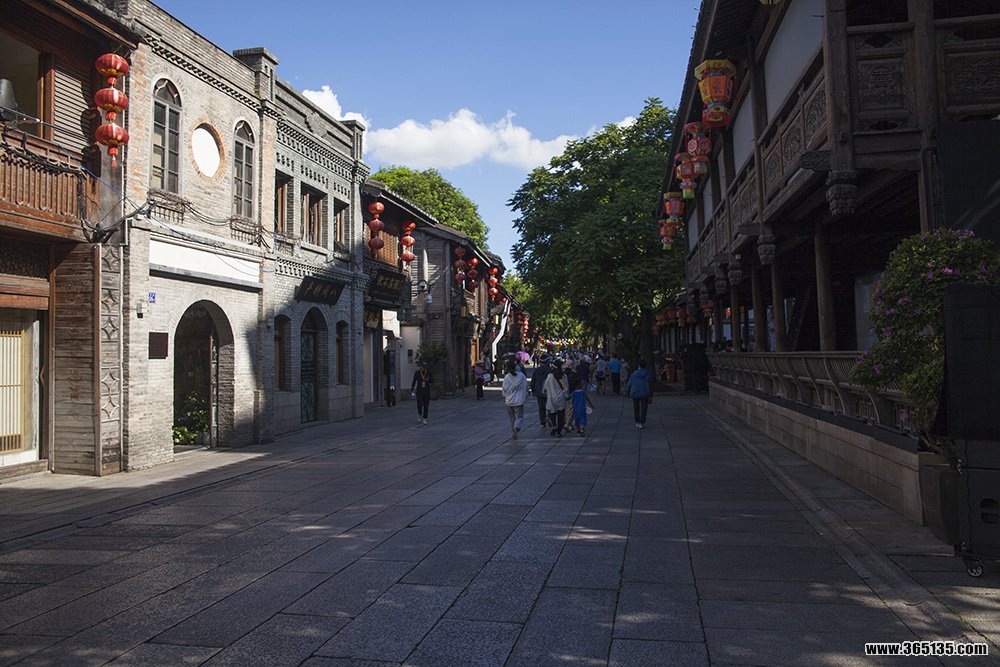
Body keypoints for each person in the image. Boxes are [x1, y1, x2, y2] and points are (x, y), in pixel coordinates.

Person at [501, 359, 528, 440]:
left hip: (509, 401)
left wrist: (505, 395)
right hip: (519, 401)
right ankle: (516, 428)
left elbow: (504, 388)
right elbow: (526, 385)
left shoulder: (507, 377)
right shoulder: (522, 376)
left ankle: (513, 429)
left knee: (512, 418)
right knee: (519, 417)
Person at [625, 359, 652, 429]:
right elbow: (649, 385)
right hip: (644, 392)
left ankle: (637, 421)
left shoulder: (634, 374)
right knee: (644, 408)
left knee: (636, 407)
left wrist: (627, 391)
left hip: (635, 392)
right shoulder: (647, 374)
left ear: (638, 365)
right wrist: (650, 394)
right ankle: (642, 422)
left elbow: (629, 384)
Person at [543, 366, 568, 437]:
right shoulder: (564, 376)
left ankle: (554, 426)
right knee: (561, 415)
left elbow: (545, 387)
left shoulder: (550, 376)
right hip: (561, 398)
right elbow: (566, 387)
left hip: (551, 398)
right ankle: (559, 431)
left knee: (552, 413)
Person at [530, 355, 552, 427]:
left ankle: (542, 422)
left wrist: (533, 390)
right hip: (548, 391)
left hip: (539, 391)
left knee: (541, 407)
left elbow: (533, 381)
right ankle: (549, 417)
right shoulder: (550, 370)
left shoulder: (536, 370)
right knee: (550, 406)